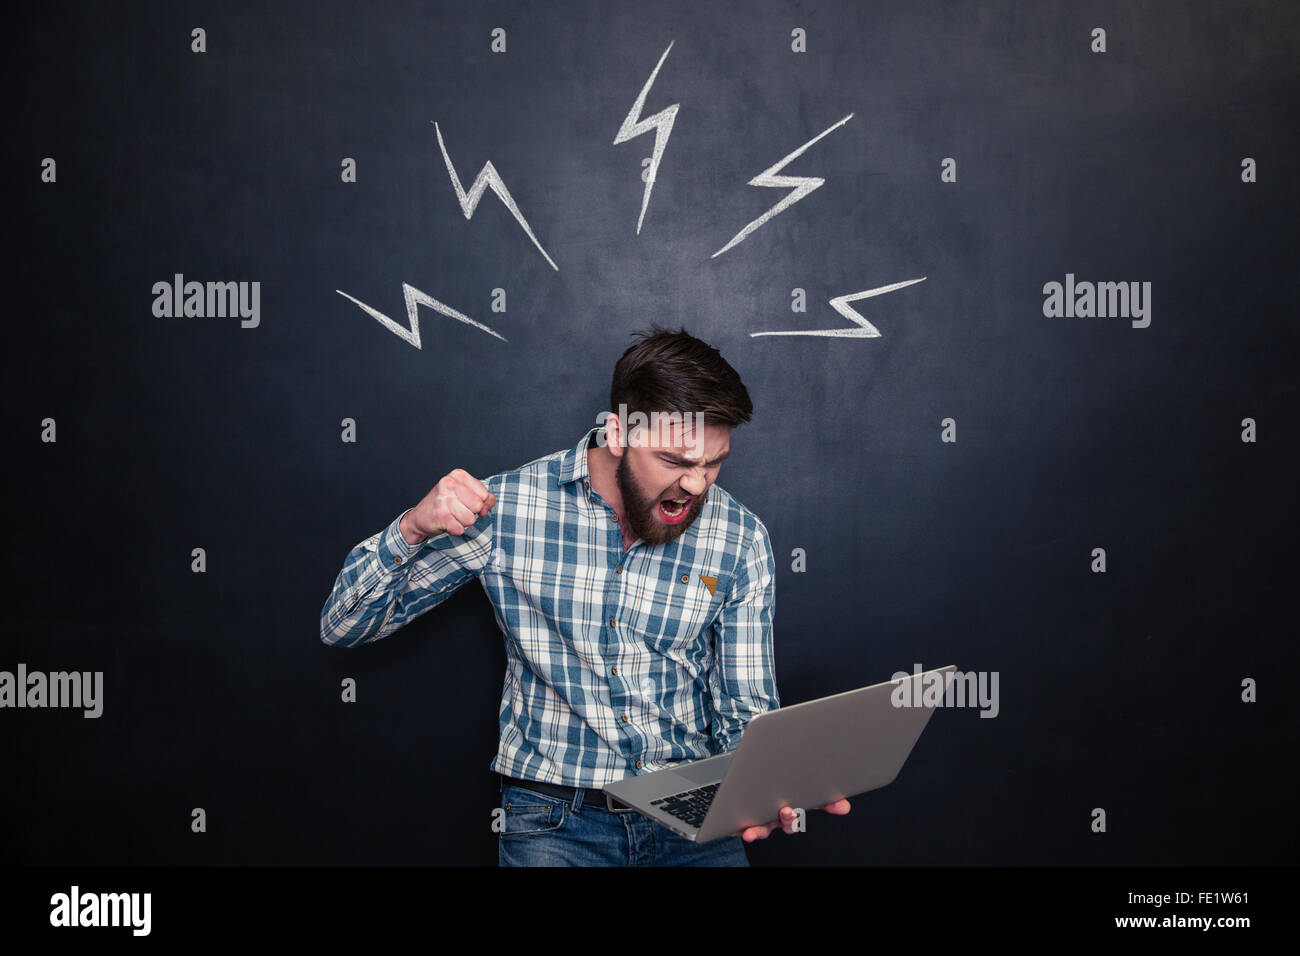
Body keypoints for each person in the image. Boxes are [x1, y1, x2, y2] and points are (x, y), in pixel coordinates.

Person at [319, 326, 849, 865]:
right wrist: (411, 528)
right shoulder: (508, 509)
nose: (696, 486)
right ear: (617, 433)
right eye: (675, 461)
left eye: (713, 463)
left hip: (696, 820)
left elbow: (746, 709)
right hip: (554, 823)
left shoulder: (740, 538)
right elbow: (344, 624)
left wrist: (768, 786)